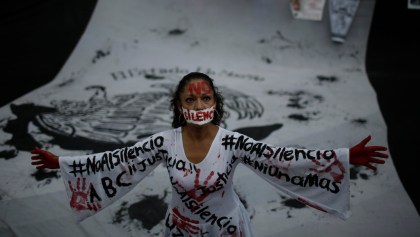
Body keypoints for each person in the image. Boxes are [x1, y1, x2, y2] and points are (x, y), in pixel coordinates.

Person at [31, 72, 388, 236]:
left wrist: (340, 159)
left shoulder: (233, 142)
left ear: (215, 103)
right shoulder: (164, 142)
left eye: (206, 98)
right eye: (191, 99)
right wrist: (62, 163)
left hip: (226, 230)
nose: (199, 104)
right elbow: (118, 160)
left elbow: (281, 159)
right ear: (178, 105)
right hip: (179, 230)